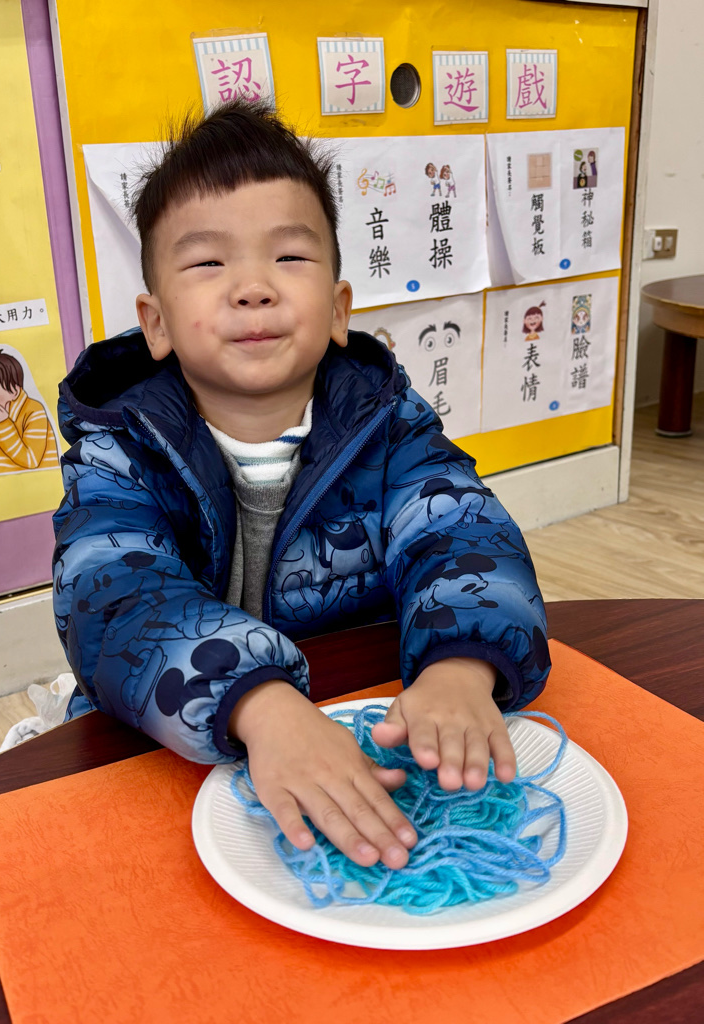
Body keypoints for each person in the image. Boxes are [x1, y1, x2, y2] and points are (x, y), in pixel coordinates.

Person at [53, 100, 549, 872]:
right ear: (156, 323)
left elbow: (465, 534)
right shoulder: (119, 448)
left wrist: (459, 665)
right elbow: (112, 597)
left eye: (288, 257)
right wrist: (259, 703)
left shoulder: (389, 425)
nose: (253, 287)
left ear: (339, 309)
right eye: (207, 264)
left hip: (359, 721)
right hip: (174, 731)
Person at [0, 348, 59, 474]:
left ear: (14, 392)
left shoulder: (33, 410)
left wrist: (3, 424)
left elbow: (31, 460)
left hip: (41, 480)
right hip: (1, 483)